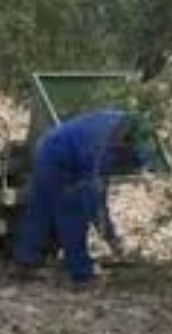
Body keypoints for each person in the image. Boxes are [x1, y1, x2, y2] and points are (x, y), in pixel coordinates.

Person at [13, 109, 154, 288]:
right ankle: (81, 274)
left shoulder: (122, 124)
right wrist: (111, 239)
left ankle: (26, 260)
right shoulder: (100, 148)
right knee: (72, 214)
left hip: (56, 148)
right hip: (54, 157)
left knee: (42, 209)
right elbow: (95, 203)